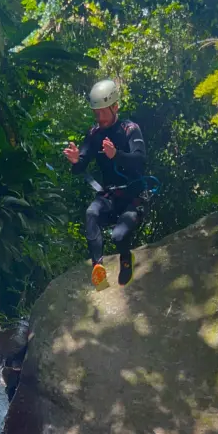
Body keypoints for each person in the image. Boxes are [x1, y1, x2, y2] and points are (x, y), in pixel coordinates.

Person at [63, 79, 147, 288]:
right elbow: (82, 162)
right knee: (91, 213)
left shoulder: (129, 129)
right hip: (109, 195)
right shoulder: (94, 134)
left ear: (115, 106)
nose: (99, 117)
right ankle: (98, 268)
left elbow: (139, 159)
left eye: (103, 112)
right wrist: (75, 161)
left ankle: (126, 258)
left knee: (118, 236)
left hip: (133, 196)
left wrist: (116, 155)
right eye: (96, 112)